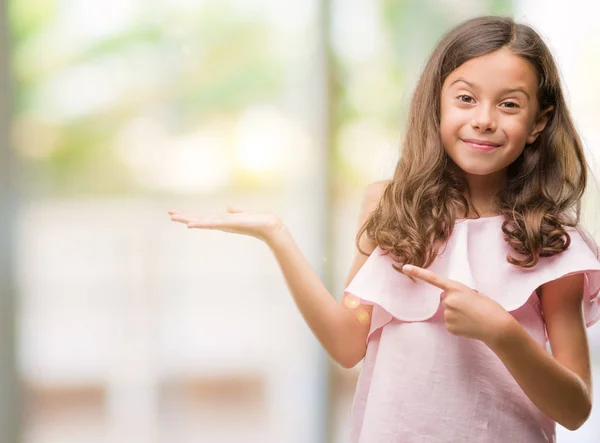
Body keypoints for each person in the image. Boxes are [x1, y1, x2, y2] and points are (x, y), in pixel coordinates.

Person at [169, 15, 600, 443]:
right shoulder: (392, 208)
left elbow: (575, 408)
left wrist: (504, 334)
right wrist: (276, 235)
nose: (485, 119)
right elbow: (346, 341)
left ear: (538, 123)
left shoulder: (548, 241)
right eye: (466, 98)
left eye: (509, 104)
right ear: (436, 104)